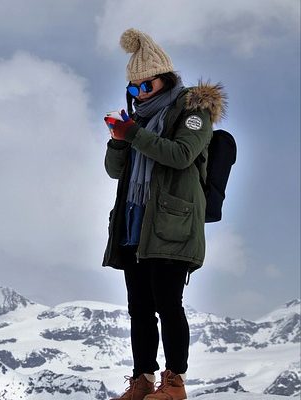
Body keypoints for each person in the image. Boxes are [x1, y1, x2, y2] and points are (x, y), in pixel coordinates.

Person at [102, 28, 227, 400]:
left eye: (146, 85)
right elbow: (114, 171)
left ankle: (175, 382)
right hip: (134, 222)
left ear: (166, 78)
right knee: (139, 307)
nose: (140, 93)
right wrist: (117, 139)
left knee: (168, 304)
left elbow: (180, 155)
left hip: (173, 223)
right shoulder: (137, 120)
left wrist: (133, 135)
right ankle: (143, 379)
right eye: (134, 88)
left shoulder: (193, 110)